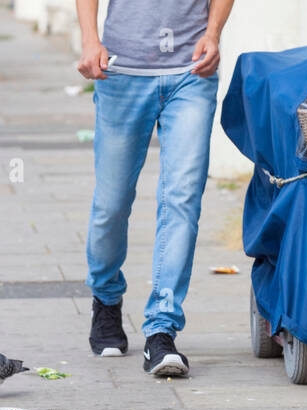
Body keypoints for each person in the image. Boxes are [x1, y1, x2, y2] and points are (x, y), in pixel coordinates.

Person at [77, 0, 233, 377]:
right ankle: (107, 297)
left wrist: (213, 33)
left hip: (191, 73)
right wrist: (89, 39)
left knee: (182, 199)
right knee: (111, 205)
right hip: (121, 72)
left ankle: (162, 328)